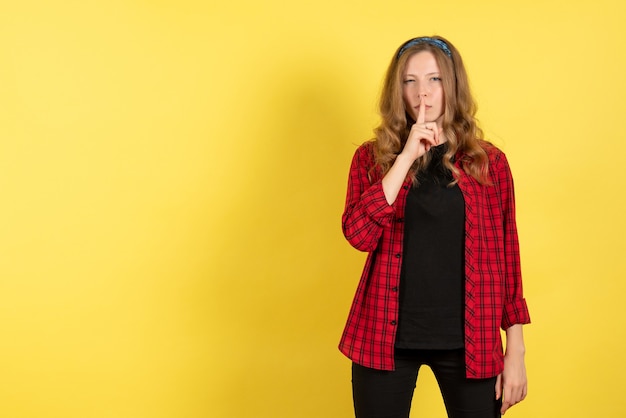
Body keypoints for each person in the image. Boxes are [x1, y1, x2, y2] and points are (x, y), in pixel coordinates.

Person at [339, 36, 531, 418]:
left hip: (471, 341)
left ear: (451, 85)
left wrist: (517, 351)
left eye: (434, 80)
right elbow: (358, 234)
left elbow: (507, 258)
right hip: (384, 337)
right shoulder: (370, 158)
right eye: (409, 81)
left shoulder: (488, 162)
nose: (421, 93)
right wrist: (407, 155)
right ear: (398, 90)